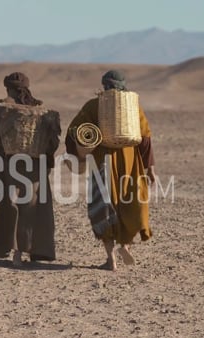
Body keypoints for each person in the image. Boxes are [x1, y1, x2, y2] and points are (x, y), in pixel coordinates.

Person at [0, 72, 61, 267]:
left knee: (10, 207)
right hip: (35, 167)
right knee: (33, 209)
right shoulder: (42, 112)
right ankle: (29, 250)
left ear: (7, 88)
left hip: (8, 164)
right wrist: (46, 161)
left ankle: (14, 253)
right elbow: (53, 142)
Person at [66, 70, 157, 270]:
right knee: (129, 203)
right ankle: (125, 245)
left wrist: (78, 152)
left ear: (104, 85)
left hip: (102, 163)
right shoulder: (133, 107)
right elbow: (146, 140)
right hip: (130, 163)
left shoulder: (93, 105)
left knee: (105, 206)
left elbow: (74, 132)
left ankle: (111, 260)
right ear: (124, 85)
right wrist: (150, 169)